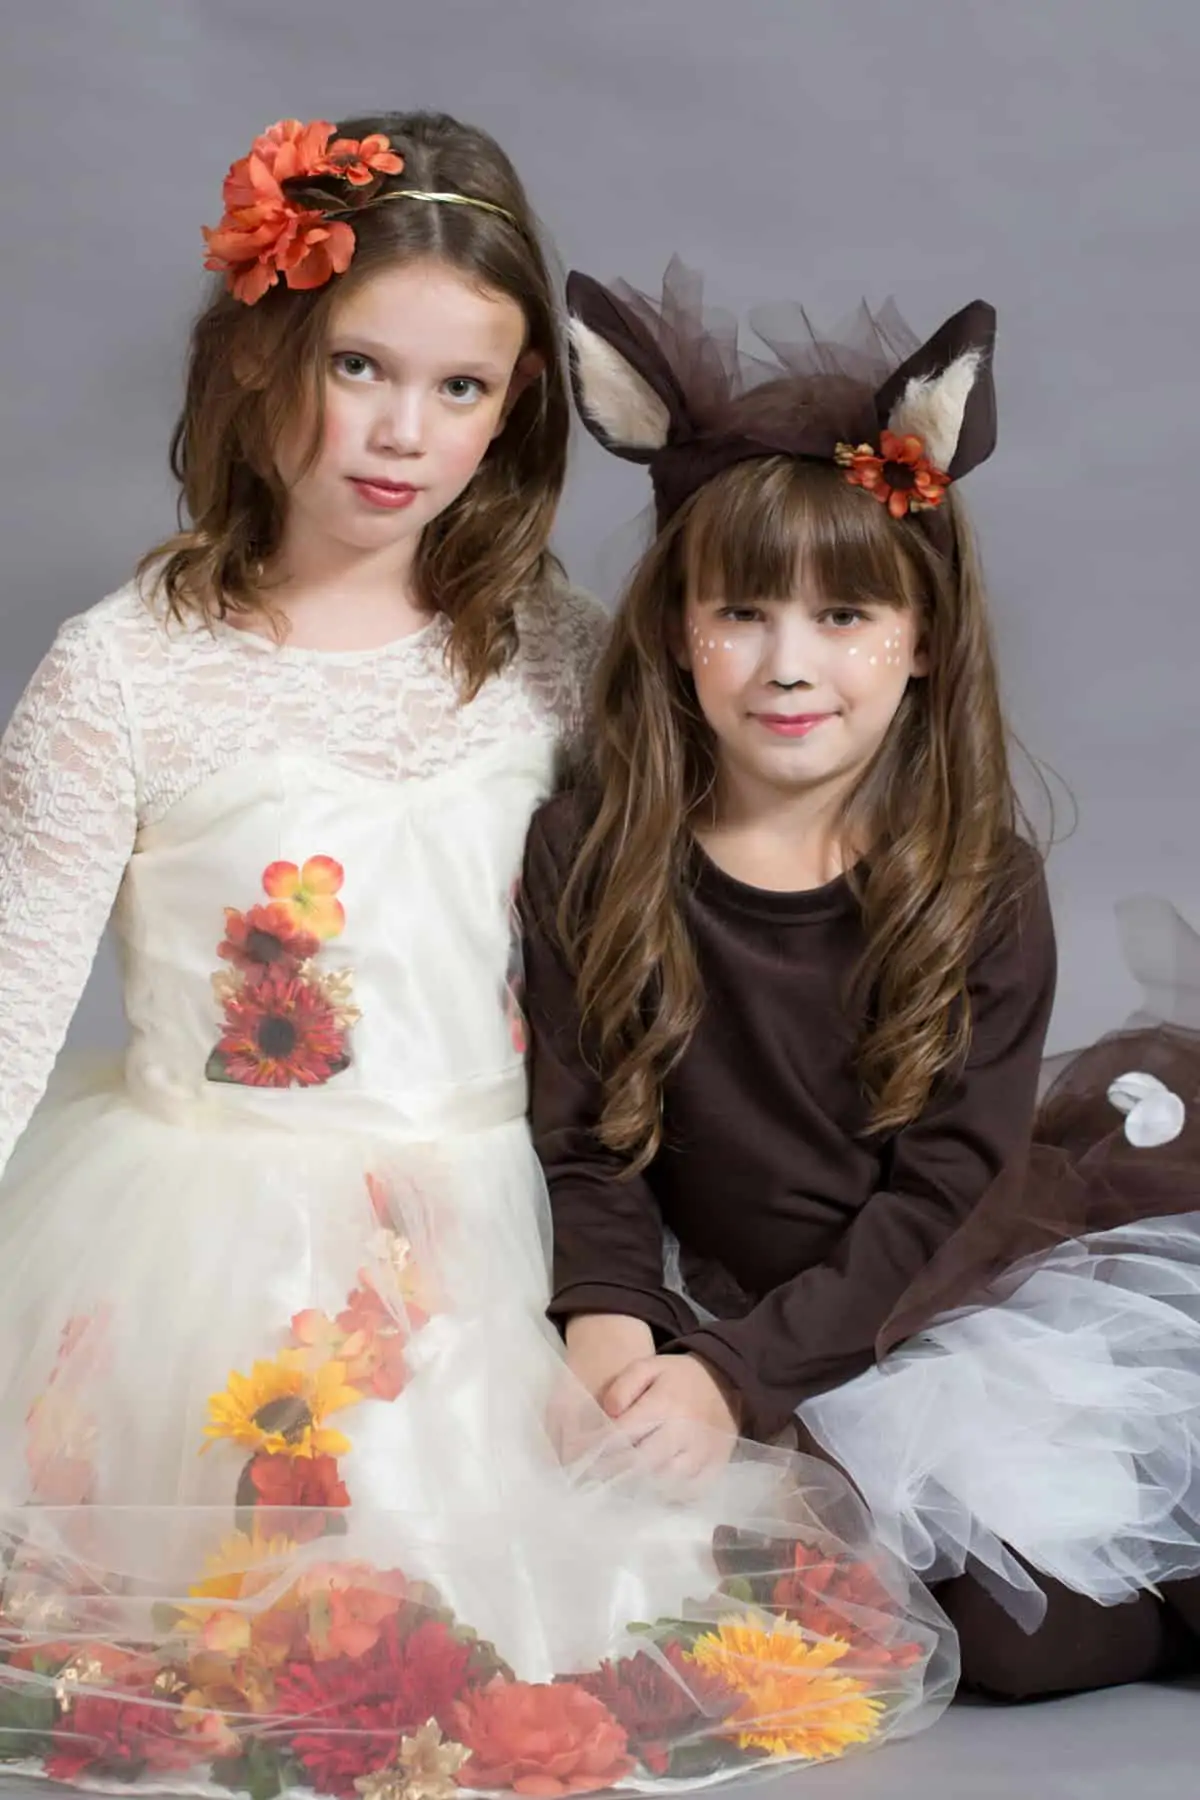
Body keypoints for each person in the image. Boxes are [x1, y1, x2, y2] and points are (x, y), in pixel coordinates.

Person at [0, 128, 949, 1793]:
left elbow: (661, 959)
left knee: (544, 1608)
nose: (397, 432)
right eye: (359, 365)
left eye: (461, 389)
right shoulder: (126, 671)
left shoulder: (554, 651)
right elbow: (13, 996)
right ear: (260, 353)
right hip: (210, 1235)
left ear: (515, 410)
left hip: (497, 1212)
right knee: (254, 1621)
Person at [522, 260, 1200, 1704]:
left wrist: (732, 1378)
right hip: (703, 1299)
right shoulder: (592, 850)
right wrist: (609, 1325)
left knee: (1008, 1643)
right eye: (744, 613)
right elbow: (587, 1142)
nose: (788, 665)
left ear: (922, 644)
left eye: (844, 619)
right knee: (649, 1593)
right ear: (672, 629)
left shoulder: (977, 883)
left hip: (922, 1300)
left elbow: (936, 1198)